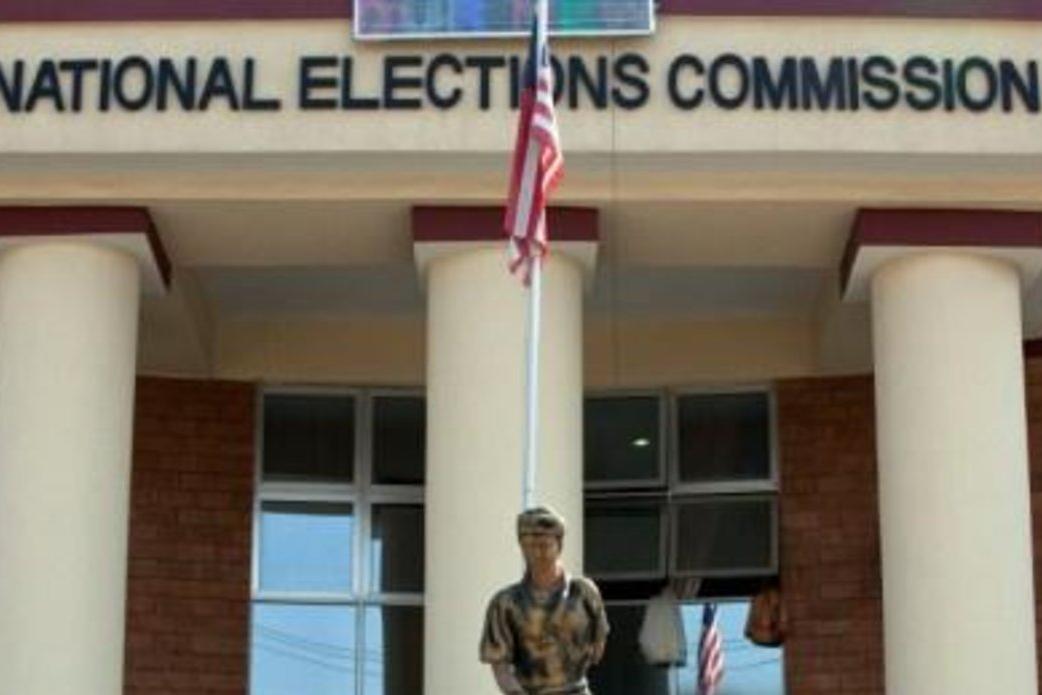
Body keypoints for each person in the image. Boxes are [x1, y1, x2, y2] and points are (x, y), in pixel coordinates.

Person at [480, 506, 610, 695]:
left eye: (544, 545)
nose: (536, 554)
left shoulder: (583, 593)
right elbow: (499, 664)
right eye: (528, 546)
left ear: (559, 545)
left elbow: (598, 647)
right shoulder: (506, 603)